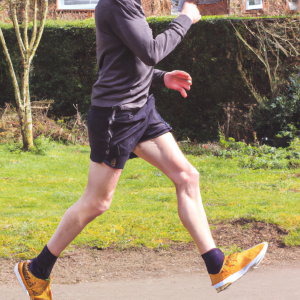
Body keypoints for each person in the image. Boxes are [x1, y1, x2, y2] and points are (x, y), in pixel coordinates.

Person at [14, 0, 268, 298]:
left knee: (187, 177)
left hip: (140, 110)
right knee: (97, 202)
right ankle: (37, 270)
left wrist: (161, 77)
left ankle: (217, 265)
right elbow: (149, 50)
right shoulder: (117, 2)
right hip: (116, 117)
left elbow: (126, 58)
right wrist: (185, 18)